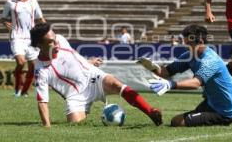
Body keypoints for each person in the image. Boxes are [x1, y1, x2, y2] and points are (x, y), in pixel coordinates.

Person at [30, 23, 162, 127]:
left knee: (116, 84)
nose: (55, 43)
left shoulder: (60, 39)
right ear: (39, 45)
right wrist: (46, 126)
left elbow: (72, 53)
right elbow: (42, 101)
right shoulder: (41, 70)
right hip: (76, 96)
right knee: (75, 125)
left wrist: (89, 62)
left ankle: (150, 112)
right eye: (50, 42)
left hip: (92, 76)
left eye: (54, 38)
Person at [138, 24, 232, 127]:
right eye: (185, 43)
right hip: (213, 102)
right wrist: (151, 66)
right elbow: (166, 72)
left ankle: (227, 118)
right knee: (186, 118)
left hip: (226, 105)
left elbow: (196, 83)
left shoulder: (210, 60)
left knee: (177, 121)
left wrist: (171, 84)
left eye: (189, 44)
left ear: (200, 42)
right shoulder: (190, 54)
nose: (186, 46)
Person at [1, 0, 46, 97]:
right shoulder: (10, 3)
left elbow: (41, 19)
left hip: (31, 38)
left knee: (33, 66)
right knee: (21, 62)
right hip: (17, 37)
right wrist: (6, 23)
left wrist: (46, 32)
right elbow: (3, 18)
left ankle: (24, 91)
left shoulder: (33, 2)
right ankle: (17, 88)